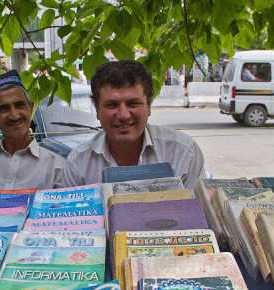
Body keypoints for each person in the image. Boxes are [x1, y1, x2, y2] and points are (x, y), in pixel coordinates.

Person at [62, 60, 205, 192]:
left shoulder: (183, 152)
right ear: (97, 110)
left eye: (133, 104)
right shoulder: (78, 163)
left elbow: (199, 209)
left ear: (149, 106)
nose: (123, 115)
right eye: (112, 105)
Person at [0, 70, 63, 189]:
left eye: (19, 105)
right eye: (4, 109)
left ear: (31, 108)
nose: (14, 116)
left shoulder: (56, 167)